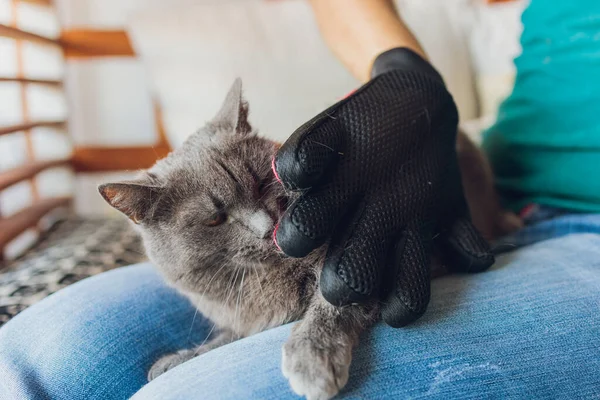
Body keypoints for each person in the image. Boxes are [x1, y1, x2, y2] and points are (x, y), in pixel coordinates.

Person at [1, 0, 600, 398]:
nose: (265, 216)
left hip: (564, 227)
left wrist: (325, 323)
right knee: (41, 352)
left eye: (263, 186)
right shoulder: (190, 227)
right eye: (219, 213)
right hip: (504, 169)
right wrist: (402, 68)